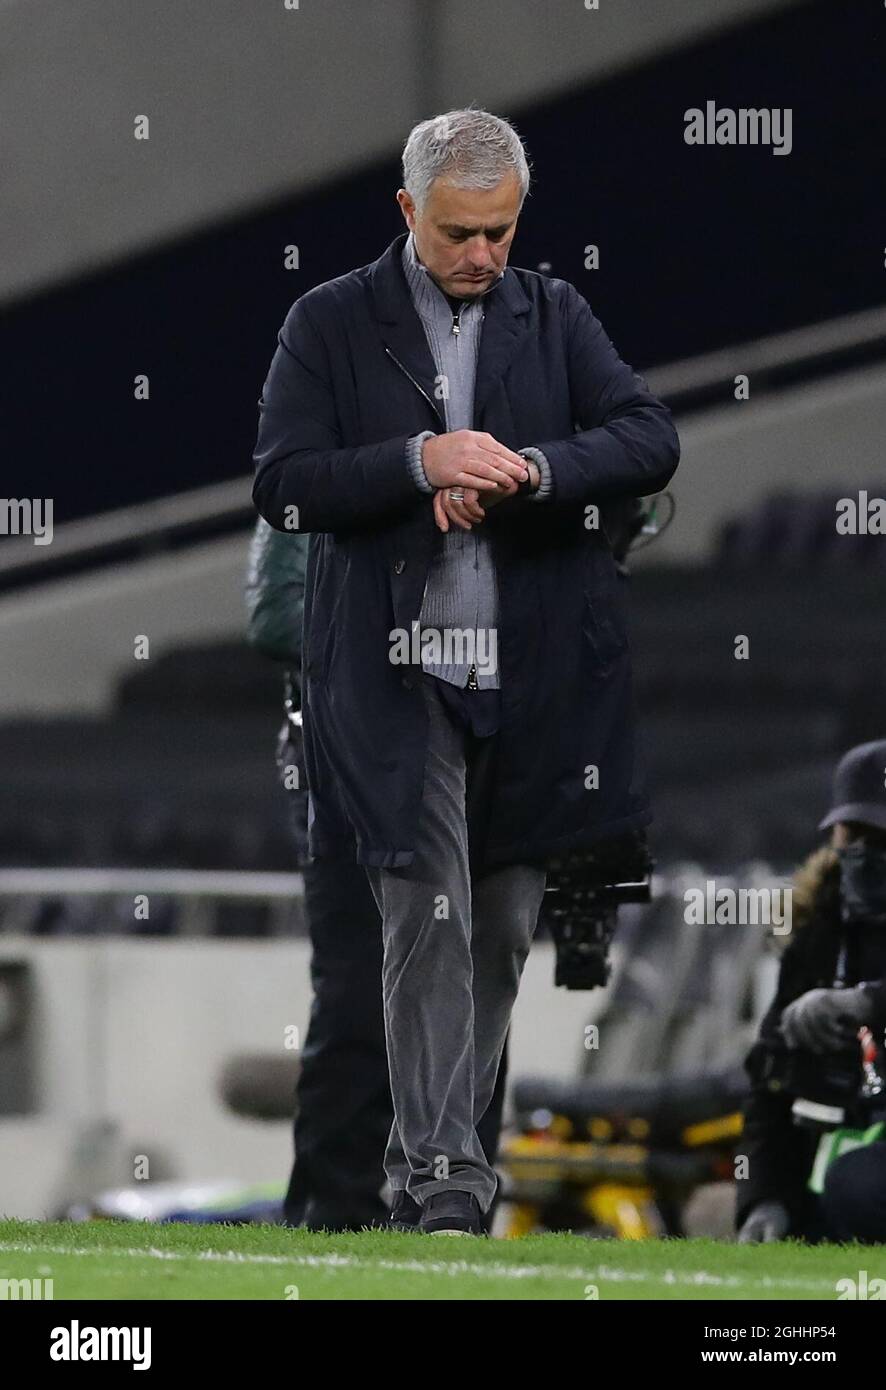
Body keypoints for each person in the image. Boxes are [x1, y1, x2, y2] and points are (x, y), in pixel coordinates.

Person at [252, 108, 679, 1235]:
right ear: (408, 212)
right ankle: (444, 1178)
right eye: (458, 232)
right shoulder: (330, 321)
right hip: (391, 675)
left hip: (534, 674)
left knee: (498, 926)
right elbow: (285, 481)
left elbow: (648, 438)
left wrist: (531, 469)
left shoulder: (557, 313)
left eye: (499, 230)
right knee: (425, 912)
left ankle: (438, 1171)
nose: (482, 254)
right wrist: (415, 462)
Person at [245, 516, 510, 1233]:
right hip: (346, 765)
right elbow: (275, 617)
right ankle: (336, 1216)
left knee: (471, 983)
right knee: (359, 992)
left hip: (462, 756)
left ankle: (452, 1208)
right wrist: (398, 656)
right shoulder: (326, 471)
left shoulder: (476, 467)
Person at [737, 740, 886, 1244]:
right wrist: (765, 1198)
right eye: (855, 833)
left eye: (882, 836)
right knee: (818, 1211)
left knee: (858, 1187)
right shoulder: (819, 933)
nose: (866, 852)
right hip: (843, 1160)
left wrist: (871, 1002)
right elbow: (769, 1081)